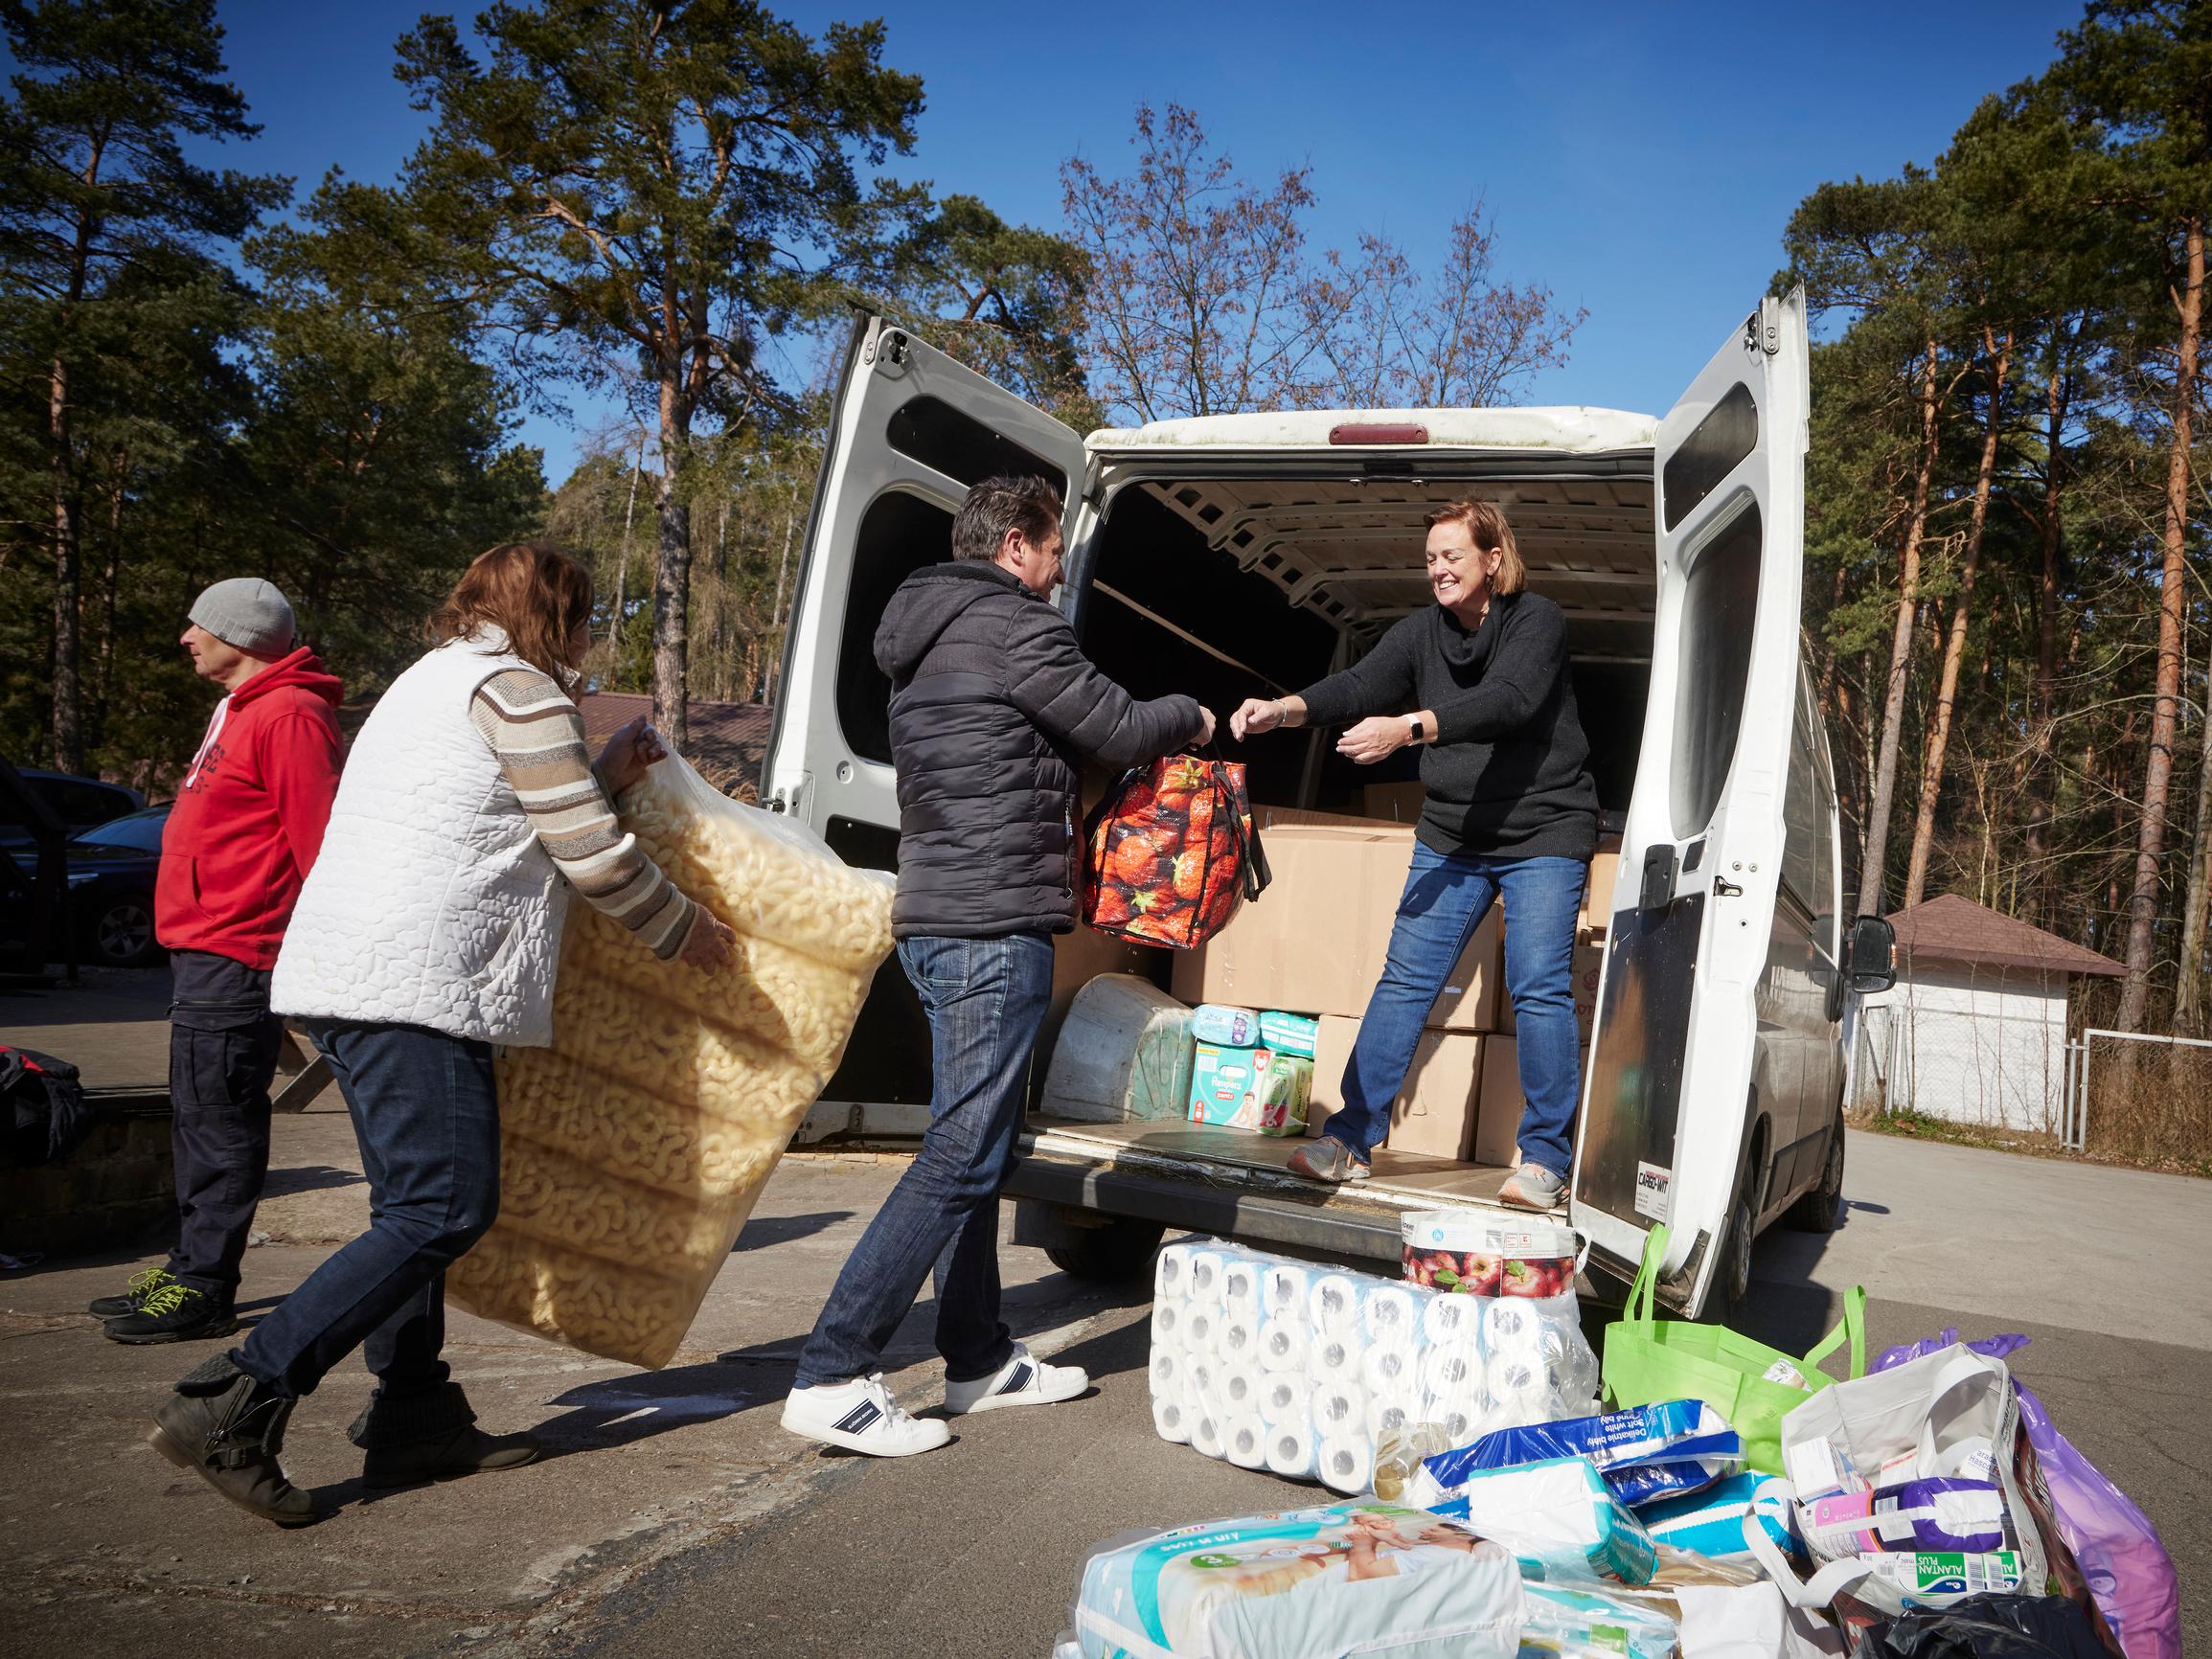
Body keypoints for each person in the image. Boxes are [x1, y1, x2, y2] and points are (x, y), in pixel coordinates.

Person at [145, 543, 736, 1525]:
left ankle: (414, 1411)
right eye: (583, 617)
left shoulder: (438, 679)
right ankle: (235, 1396)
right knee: (445, 1206)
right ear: (552, 614)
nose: (588, 638)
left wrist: (600, 769)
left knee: (407, 1203)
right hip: (413, 982)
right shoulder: (520, 688)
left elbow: (492, 811)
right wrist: (687, 931)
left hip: (355, 973)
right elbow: (586, 853)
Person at [781, 474, 1214, 1457]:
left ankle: (975, 1352)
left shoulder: (921, 634)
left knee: (967, 1143)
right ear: (1015, 542)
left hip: (934, 914)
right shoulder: (1012, 625)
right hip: (989, 922)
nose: (1059, 570)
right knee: (962, 1153)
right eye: (1054, 550)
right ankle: (833, 1370)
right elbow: (1113, 724)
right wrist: (1188, 713)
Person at [1231, 498, 1598, 1211]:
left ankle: (1544, 1159)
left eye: (1451, 556)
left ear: (1493, 558)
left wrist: (1410, 728)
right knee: (1404, 981)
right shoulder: (1420, 633)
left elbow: (1510, 700)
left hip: (1543, 833)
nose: (1436, 569)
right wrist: (1283, 710)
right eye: (1429, 557)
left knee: (1538, 987)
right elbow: (1359, 685)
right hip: (1452, 834)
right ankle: (1347, 1141)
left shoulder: (1537, 622)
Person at [92, 580, 344, 1344]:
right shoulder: (240, 707)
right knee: (199, 1114)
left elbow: (321, 845)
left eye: (200, 624)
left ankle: (204, 1285)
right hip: (205, 947)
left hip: (240, 948)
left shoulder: (292, 715)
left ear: (243, 635)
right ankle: (185, 1264)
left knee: (221, 1120)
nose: (185, 636)